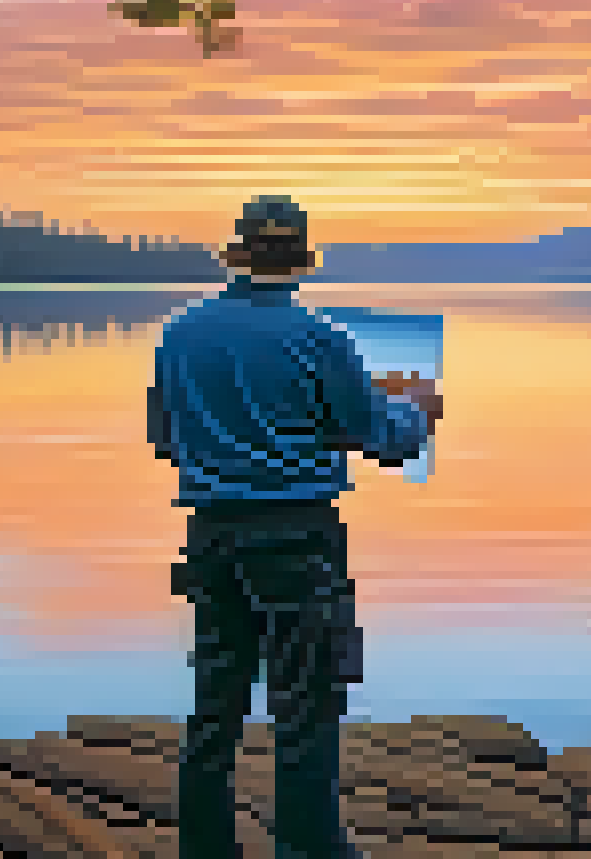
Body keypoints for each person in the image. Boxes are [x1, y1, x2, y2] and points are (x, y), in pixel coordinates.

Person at [151, 195, 441, 859]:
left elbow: (164, 441)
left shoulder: (179, 333)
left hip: (211, 535)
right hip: (298, 538)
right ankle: (311, 851)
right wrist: (420, 410)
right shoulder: (322, 339)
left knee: (213, 708)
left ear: (240, 254)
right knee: (306, 708)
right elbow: (386, 442)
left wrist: (236, 445)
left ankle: (204, 851)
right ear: (301, 260)